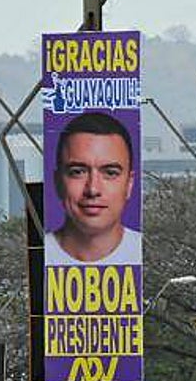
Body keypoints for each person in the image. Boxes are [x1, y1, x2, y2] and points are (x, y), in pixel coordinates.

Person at [44, 111, 141, 265]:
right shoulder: (37, 255)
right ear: (57, 182)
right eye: (77, 172)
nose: (92, 189)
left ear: (129, 184)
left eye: (110, 173)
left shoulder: (149, 255)